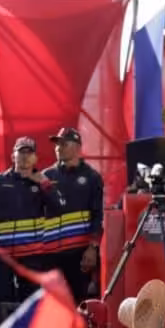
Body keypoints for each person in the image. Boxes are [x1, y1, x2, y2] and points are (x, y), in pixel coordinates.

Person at [0, 137, 64, 304]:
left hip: (32, 254)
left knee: (31, 303)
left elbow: (60, 207)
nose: (25, 157)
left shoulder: (43, 182)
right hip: (2, 255)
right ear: (13, 156)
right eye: (21, 152)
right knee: (0, 300)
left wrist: (44, 183)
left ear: (35, 158)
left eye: (29, 153)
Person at [42, 128, 104, 302]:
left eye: (64, 144)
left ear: (77, 147)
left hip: (79, 254)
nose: (58, 148)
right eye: (57, 144)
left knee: (78, 304)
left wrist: (93, 248)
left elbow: (98, 215)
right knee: (52, 305)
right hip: (50, 255)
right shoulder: (46, 176)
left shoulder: (92, 177)